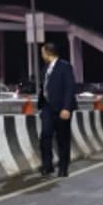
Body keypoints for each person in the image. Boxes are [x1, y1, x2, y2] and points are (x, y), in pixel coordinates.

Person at [37, 42, 77, 178]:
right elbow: (44, 89)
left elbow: (69, 88)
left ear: (48, 53)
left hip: (61, 108)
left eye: (42, 53)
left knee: (63, 139)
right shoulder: (45, 69)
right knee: (45, 137)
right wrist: (41, 106)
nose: (42, 55)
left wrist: (66, 108)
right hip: (47, 108)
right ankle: (47, 166)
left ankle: (63, 168)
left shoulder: (65, 66)